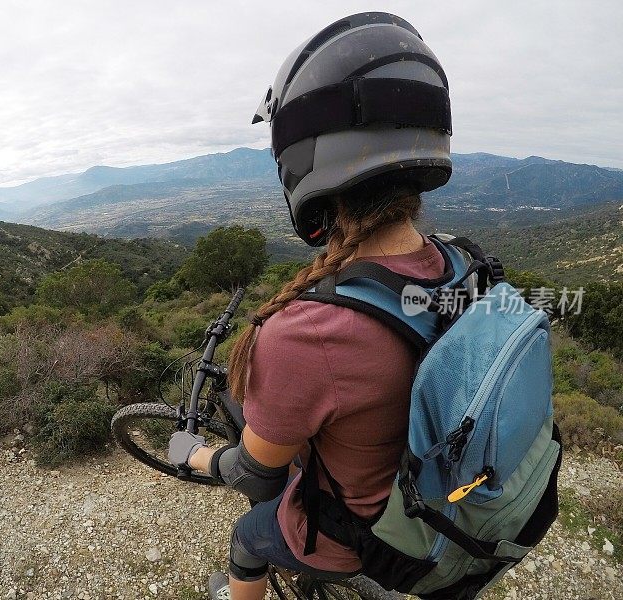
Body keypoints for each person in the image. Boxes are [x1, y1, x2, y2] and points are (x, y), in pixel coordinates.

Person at [168, 12, 453, 600]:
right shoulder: (456, 266)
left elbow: (253, 471)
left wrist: (193, 455)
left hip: (362, 536)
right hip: (439, 508)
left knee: (247, 537)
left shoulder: (311, 333)